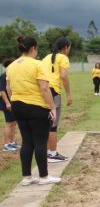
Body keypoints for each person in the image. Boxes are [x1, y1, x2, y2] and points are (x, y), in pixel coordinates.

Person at [7, 36, 61, 185]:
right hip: (36, 107)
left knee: (27, 141)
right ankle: (44, 177)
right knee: (40, 142)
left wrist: (14, 101)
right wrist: (52, 108)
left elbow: (8, 88)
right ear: (33, 48)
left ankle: (27, 177)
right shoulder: (37, 64)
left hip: (17, 106)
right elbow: (44, 88)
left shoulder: (11, 66)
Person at [42, 37, 72, 163]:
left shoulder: (46, 57)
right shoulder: (63, 57)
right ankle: (52, 154)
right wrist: (69, 94)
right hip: (54, 92)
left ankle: (48, 152)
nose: (69, 50)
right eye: (69, 48)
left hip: (43, 91)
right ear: (65, 47)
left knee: (45, 123)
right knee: (53, 125)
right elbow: (64, 76)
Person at [1, 58, 20, 152]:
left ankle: (12, 142)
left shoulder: (10, 74)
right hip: (6, 103)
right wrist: (8, 103)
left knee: (14, 122)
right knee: (9, 123)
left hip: (13, 101)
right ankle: (6, 144)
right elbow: (2, 91)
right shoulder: (4, 75)